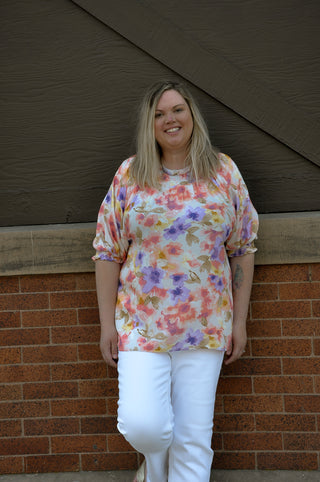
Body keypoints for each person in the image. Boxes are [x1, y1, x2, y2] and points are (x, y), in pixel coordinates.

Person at [93, 80, 259, 482]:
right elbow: (107, 250)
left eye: (177, 110)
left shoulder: (223, 172)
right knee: (142, 424)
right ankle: (152, 469)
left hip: (205, 323)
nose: (170, 120)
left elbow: (243, 247)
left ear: (192, 116)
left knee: (193, 437)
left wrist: (239, 323)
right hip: (140, 323)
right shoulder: (130, 174)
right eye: (159, 114)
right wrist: (106, 326)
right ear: (149, 125)